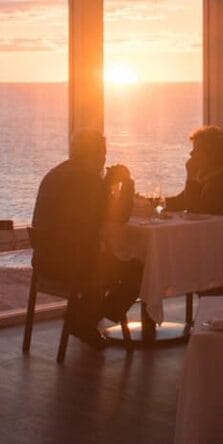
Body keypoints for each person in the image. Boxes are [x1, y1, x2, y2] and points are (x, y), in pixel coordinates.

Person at [30, 130, 142, 347]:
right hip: (72, 265)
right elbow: (119, 216)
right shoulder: (88, 180)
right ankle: (83, 319)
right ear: (98, 153)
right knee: (137, 269)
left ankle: (82, 316)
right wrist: (126, 183)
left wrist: (106, 183)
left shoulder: (56, 173)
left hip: (44, 262)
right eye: (103, 153)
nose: (104, 159)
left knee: (104, 262)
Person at [167, 126, 223, 257]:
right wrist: (150, 204)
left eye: (196, 149)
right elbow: (181, 202)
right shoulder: (207, 177)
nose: (191, 154)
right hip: (214, 239)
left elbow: (196, 213)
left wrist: (191, 176)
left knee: (174, 253)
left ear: (211, 154)